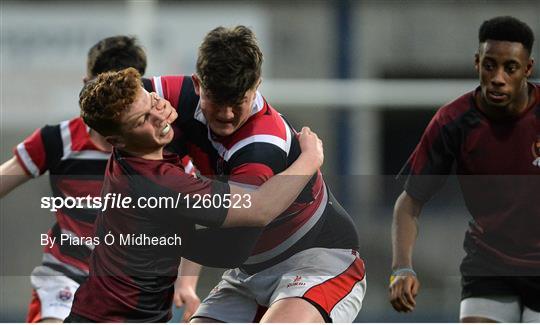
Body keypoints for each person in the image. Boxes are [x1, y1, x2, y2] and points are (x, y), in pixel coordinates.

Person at [64, 67, 324, 322]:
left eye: (153, 100)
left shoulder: (141, 151)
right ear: (117, 141)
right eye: (142, 119)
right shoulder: (159, 183)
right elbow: (259, 208)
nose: (158, 116)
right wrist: (310, 159)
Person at [145, 25, 366, 323]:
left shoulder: (261, 144)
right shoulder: (175, 96)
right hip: (248, 273)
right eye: (216, 100)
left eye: (237, 102)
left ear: (257, 86)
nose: (225, 114)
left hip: (315, 262)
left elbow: (238, 233)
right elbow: (114, 98)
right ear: (198, 84)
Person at [0, 35, 180, 323]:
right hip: (67, 276)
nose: (110, 102)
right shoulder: (58, 140)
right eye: (102, 92)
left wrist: (186, 284)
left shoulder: (165, 148)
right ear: (86, 87)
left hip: (129, 287)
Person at [389, 16, 540, 323]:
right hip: (489, 264)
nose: (498, 77)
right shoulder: (453, 122)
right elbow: (409, 203)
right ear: (476, 63)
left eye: (510, 68)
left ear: (527, 69)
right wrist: (401, 268)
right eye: (489, 65)